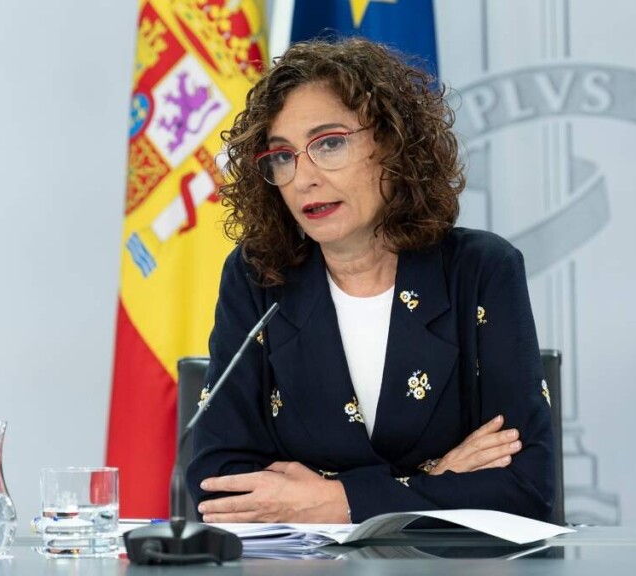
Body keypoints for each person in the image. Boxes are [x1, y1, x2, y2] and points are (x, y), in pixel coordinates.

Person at [186, 37, 554, 524]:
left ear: (392, 144)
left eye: (330, 144)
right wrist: (436, 478)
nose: (303, 178)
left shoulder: (481, 270)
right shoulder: (259, 275)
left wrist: (337, 501)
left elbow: (526, 487)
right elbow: (217, 484)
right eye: (282, 156)